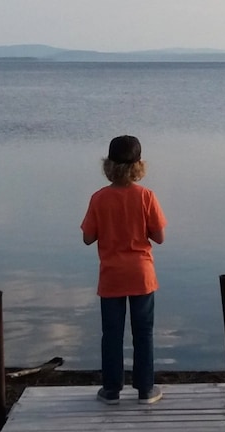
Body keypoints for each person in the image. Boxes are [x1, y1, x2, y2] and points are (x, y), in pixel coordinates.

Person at [81, 135, 167, 405]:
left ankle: (111, 390)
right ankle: (145, 390)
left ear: (109, 165)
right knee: (143, 333)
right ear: (139, 165)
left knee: (112, 334)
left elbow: (87, 238)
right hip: (141, 275)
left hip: (112, 276)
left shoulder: (99, 198)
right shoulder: (147, 196)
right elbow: (160, 236)